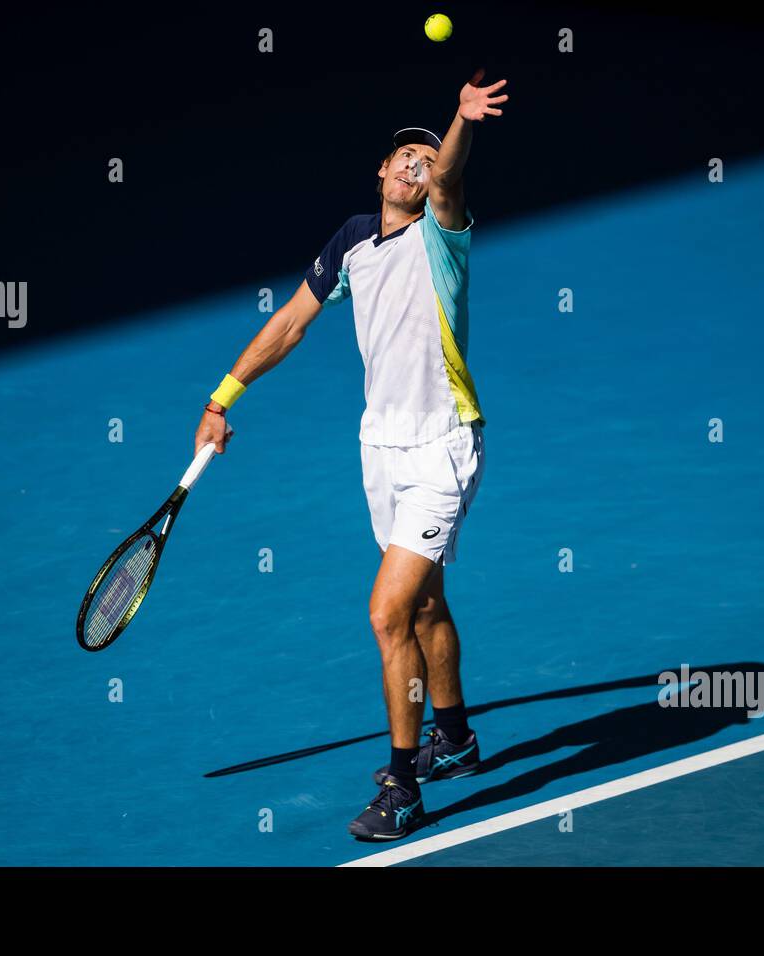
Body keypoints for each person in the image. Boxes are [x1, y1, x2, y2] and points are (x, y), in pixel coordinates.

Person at [194, 70, 508, 840]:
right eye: (404, 154)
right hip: (380, 449)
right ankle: (457, 738)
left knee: (387, 613)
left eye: (426, 159)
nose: (416, 165)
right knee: (428, 603)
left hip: (442, 446)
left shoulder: (444, 232)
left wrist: (458, 123)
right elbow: (289, 326)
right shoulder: (351, 243)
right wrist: (220, 399)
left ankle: (403, 788)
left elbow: (453, 171)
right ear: (379, 171)